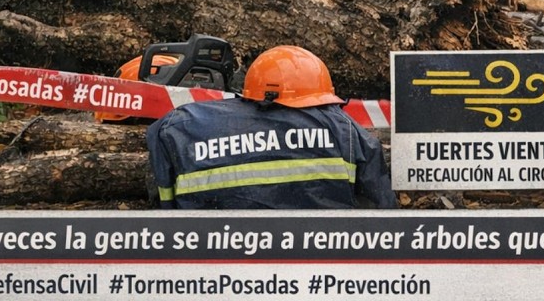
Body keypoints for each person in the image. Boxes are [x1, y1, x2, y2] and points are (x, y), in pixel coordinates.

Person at [146, 45, 397, 209]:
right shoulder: (344, 131)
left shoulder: (183, 128)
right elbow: (381, 216)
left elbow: (164, 209)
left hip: (214, 265)